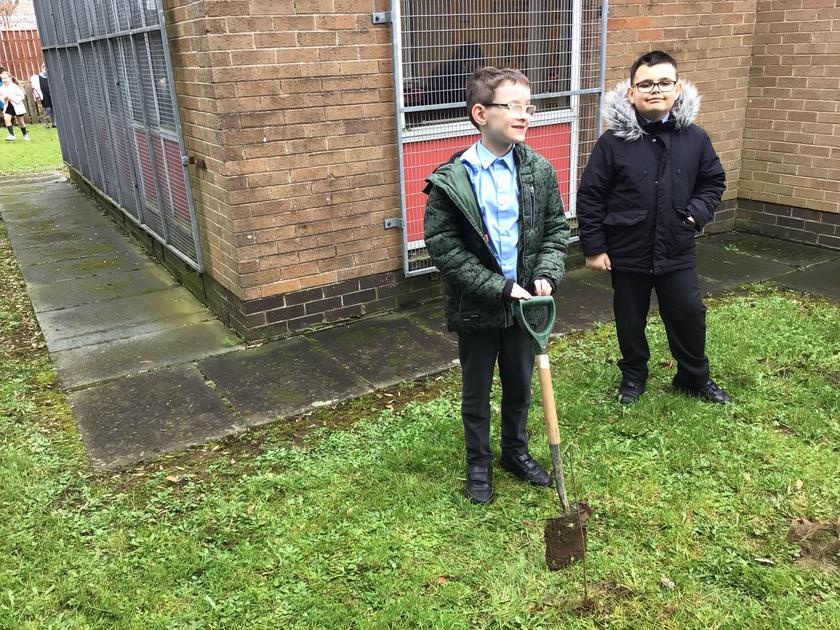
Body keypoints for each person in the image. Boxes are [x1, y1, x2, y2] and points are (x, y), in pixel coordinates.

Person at [424, 66, 570, 504]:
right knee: (476, 391)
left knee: (520, 383)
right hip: (478, 306)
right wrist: (497, 287)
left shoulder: (538, 170)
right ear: (480, 113)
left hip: (525, 308)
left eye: (529, 107)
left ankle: (515, 451)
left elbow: (555, 230)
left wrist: (545, 273)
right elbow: (445, 248)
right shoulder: (452, 179)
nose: (524, 115)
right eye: (513, 106)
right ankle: (478, 463)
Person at [577, 50, 731, 405]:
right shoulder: (612, 142)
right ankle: (633, 376)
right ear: (631, 93)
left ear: (677, 89)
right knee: (629, 317)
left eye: (663, 82)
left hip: (676, 247)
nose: (655, 90)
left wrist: (694, 215)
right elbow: (591, 195)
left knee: (689, 313)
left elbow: (713, 182)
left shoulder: (696, 138)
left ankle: (693, 378)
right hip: (627, 248)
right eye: (645, 84)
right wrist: (594, 247)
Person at [1, 70, 30, 141]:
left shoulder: (15, 87)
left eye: (5, 78)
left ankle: (25, 135)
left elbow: (21, 96)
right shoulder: (2, 88)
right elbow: (1, 97)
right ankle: (11, 135)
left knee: (21, 122)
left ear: (10, 78)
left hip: (17, 106)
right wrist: (4, 98)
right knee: (6, 118)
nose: (4, 80)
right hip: (8, 106)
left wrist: (11, 97)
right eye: (2, 78)